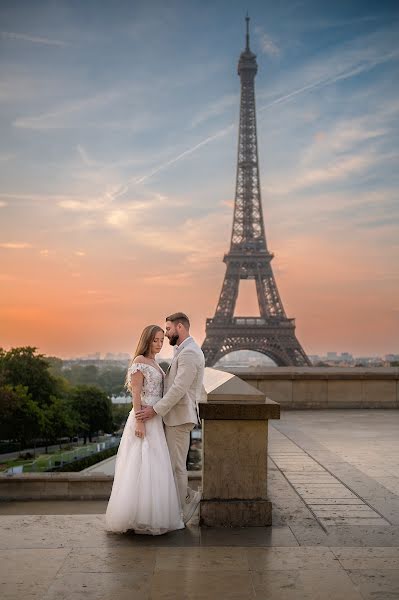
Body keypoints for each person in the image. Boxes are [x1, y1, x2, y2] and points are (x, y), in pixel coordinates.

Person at [105, 325, 184, 535]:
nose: (159, 344)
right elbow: (136, 394)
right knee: (141, 465)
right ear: (146, 340)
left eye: (161, 340)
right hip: (144, 419)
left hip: (154, 419)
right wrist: (139, 422)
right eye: (155, 340)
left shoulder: (154, 363)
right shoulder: (140, 362)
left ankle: (148, 514)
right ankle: (139, 516)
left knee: (154, 466)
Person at [136, 312, 205, 524]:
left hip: (178, 417)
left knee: (176, 467)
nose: (165, 335)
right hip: (174, 416)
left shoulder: (189, 353)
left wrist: (155, 410)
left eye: (168, 329)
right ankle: (179, 505)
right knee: (172, 466)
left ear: (180, 327)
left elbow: (178, 389)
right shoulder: (183, 350)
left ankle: (183, 509)